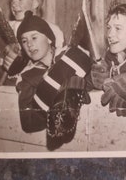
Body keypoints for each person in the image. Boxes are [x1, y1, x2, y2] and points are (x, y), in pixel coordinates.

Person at [15, 10, 92, 150]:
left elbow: (91, 72)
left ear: (49, 38)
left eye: (34, 38)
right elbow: (29, 123)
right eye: (24, 41)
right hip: (54, 139)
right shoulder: (26, 76)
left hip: (89, 137)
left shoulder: (67, 54)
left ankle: (65, 97)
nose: (29, 45)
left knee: (77, 56)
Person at [0, 0, 64, 84]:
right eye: (12, 1)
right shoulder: (3, 28)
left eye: (20, 0)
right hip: (7, 88)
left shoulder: (53, 30)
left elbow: (57, 64)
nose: (14, 4)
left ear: (35, 3)